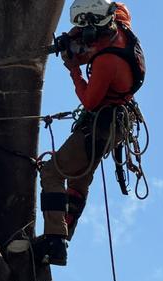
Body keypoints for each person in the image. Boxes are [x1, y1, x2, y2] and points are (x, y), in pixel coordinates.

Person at [35, 0, 145, 266]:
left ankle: (54, 240)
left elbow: (90, 100)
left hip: (100, 123)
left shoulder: (108, 61)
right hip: (113, 124)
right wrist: (74, 37)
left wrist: (74, 70)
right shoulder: (119, 26)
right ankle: (63, 235)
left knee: (52, 172)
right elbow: (119, 10)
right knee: (78, 181)